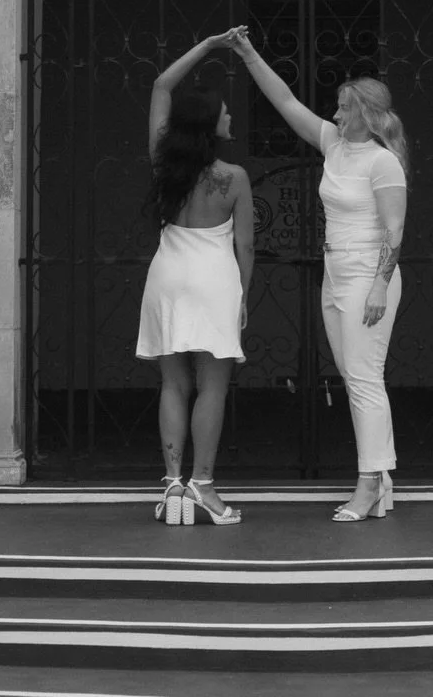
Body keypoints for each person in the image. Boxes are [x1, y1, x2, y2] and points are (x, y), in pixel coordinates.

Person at [228, 28, 407, 522]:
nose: (335, 114)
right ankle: (381, 478)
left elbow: (394, 229)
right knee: (356, 379)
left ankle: (368, 484)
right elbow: (284, 100)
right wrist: (247, 52)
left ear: (365, 114)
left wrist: (378, 284)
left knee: (365, 378)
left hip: (368, 273)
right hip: (335, 270)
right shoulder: (334, 147)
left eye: (344, 108)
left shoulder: (382, 162)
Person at [136, 33, 253, 525]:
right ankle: (204, 486)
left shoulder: (164, 164)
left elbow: (162, 85)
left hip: (166, 274)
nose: (230, 117)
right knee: (213, 384)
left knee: (172, 382)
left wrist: (206, 47)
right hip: (213, 279)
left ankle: (171, 486)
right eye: (224, 113)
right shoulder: (234, 177)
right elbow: (244, 246)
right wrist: (243, 295)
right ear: (210, 125)